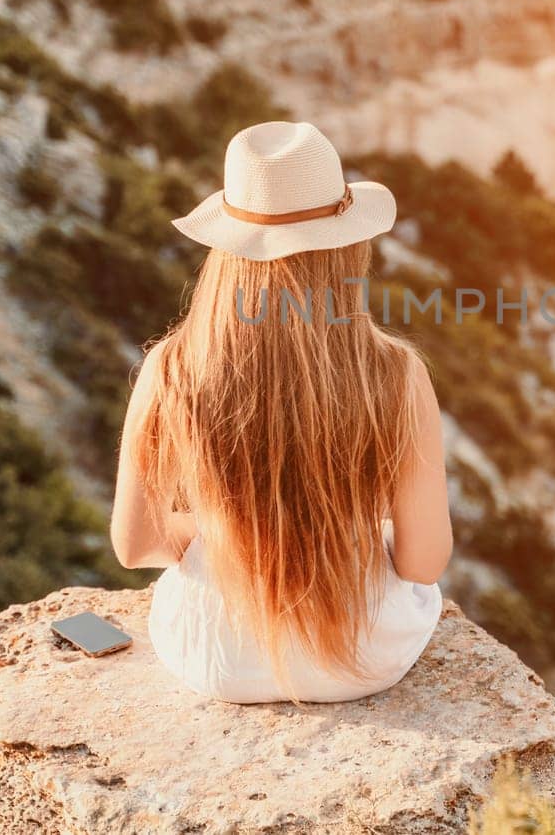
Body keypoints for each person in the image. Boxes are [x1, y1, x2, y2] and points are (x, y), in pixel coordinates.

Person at [110, 120, 451, 704]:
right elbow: (423, 563)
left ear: (227, 248)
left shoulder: (171, 367)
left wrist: (232, 531)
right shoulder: (396, 373)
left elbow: (137, 545)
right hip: (362, 655)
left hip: (219, 656)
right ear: (349, 246)